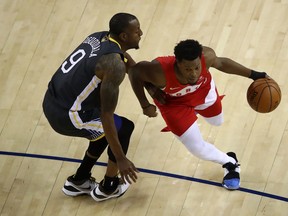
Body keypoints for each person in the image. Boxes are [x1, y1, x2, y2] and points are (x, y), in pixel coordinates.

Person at [129, 39, 268, 190]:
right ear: (178, 63)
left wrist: (255, 75)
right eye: (188, 69)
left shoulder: (207, 56)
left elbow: (222, 63)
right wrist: (145, 101)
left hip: (203, 92)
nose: (194, 74)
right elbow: (134, 72)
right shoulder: (158, 71)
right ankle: (230, 163)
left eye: (197, 68)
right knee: (197, 148)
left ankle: (194, 112)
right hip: (174, 104)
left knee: (217, 121)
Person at [42, 13, 143, 202]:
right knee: (122, 129)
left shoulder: (100, 36)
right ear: (123, 36)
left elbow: (122, 56)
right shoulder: (114, 66)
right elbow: (106, 115)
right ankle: (109, 186)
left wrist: (138, 72)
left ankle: (79, 180)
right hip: (68, 115)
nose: (141, 33)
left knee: (102, 132)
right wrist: (121, 159)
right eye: (136, 31)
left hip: (51, 100)